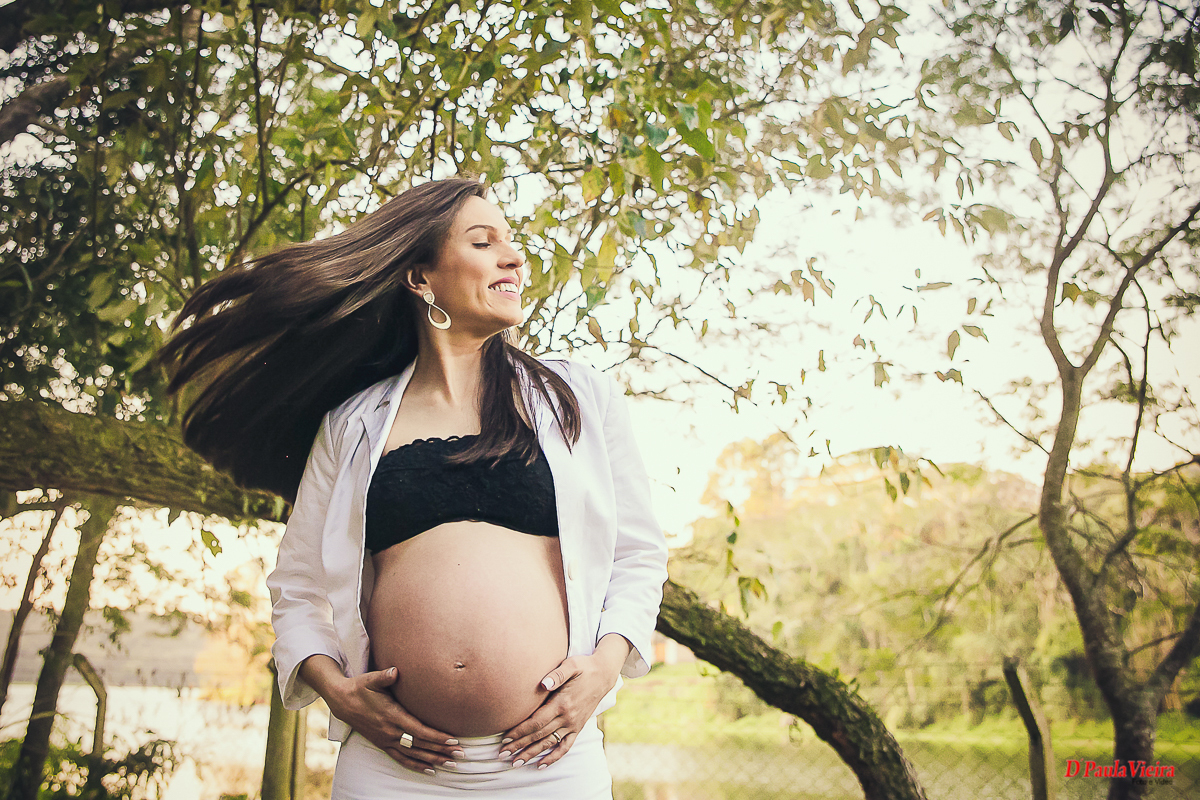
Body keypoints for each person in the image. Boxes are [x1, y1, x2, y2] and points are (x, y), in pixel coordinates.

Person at [157, 177, 669, 798]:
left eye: (512, 242)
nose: (514, 256)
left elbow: (637, 556)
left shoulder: (577, 397)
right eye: (484, 242)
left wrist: (603, 667)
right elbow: (297, 586)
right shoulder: (353, 423)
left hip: (550, 764)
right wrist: (336, 691)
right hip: (393, 772)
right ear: (420, 278)